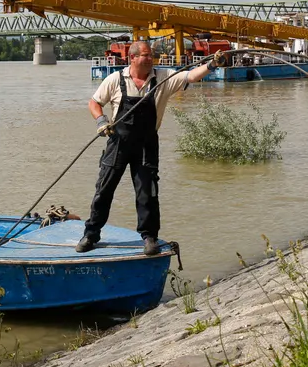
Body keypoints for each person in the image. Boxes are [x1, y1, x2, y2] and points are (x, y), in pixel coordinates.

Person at [79, 41, 224, 255]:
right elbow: (94, 102)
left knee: (147, 193)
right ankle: (91, 235)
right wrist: (101, 121)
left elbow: (191, 76)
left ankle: (149, 237)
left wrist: (212, 64)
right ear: (133, 58)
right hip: (118, 143)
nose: (150, 58)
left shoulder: (163, 77)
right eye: (146, 55)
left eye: (152, 55)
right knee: (104, 190)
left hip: (147, 145)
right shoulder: (115, 79)